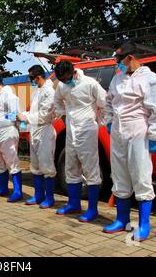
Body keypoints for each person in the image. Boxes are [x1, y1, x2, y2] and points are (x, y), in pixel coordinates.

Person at [104, 42, 156, 241]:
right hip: (118, 131)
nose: (117, 63)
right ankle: (122, 219)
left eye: (119, 59)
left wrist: (155, 136)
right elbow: (108, 101)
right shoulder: (117, 79)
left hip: (138, 129)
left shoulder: (150, 79)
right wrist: (109, 122)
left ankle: (143, 224)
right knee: (119, 174)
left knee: (140, 176)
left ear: (130, 58)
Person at [54, 60, 107, 222]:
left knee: (90, 169)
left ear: (73, 72)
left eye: (66, 78)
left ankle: (92, 209)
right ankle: (73, 203)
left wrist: (100, 122)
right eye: (61, 80)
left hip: (88, 131)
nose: (64, 82)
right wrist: (64, 117)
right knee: (70, 167)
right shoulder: (62, 86)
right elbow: (57, 102)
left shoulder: (90, 83)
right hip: (71, 131)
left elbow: (104, 103)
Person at [18, 65, 57, 209]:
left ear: (38, 77)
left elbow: (44, 115)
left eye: (31, 78)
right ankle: (39, 194)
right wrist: (26, 124)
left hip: (45, 130)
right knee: (35, 165)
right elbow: (32, 112)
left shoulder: (49, 92)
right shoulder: (36, 93)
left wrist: (26, 117)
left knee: (46, 165)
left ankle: (49, 197)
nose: (31, 81)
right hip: (34, 130)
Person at [0, 72, 23, 202]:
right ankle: (2, 189)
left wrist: (3, 118)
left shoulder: (9, 95)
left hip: (8, 132)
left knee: (12, 161)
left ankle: (17, 191)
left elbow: (14, 114)